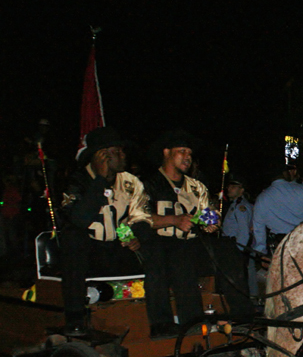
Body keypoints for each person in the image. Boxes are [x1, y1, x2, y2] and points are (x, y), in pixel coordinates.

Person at [138, 130, 253, 338]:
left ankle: (242, 314)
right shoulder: (148, 185)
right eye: (182, 152)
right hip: (161, 244)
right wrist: (174, 220)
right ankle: (186, 322)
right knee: (179, 257)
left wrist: (212, 222)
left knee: (227, 249)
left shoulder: (196, 187)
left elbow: (208, 213)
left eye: (190, 153)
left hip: (191, 244)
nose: (188, 157)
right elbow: (138, 218)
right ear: (166, 153)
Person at [59, 127, 151, 336]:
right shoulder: (76, 181)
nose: (123, 155)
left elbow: (143, 217)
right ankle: (75, 318)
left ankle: (159, 318)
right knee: (73, 238)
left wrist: (137, 236)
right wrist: (99, 181)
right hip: (89, 252)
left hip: (118, 248)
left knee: (157, 245)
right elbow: (79, 219)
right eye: (117, 152)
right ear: (101, 157)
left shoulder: (130, 182)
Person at [252, 165, 303, 262]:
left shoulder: (262, 198)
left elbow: (259, 230)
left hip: (281, 249)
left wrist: (261, 253)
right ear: (285, 173)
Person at [222, 175, 257, 298]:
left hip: (237, 246)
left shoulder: (240, 207)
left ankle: (248, 300)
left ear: (241, 190)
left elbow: (244, 231)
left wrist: (239, 252)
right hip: (236, 246)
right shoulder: (236, 205)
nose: (229, 188)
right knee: (246, 275)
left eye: (233, 186)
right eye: (229, 186)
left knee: (242, 276)